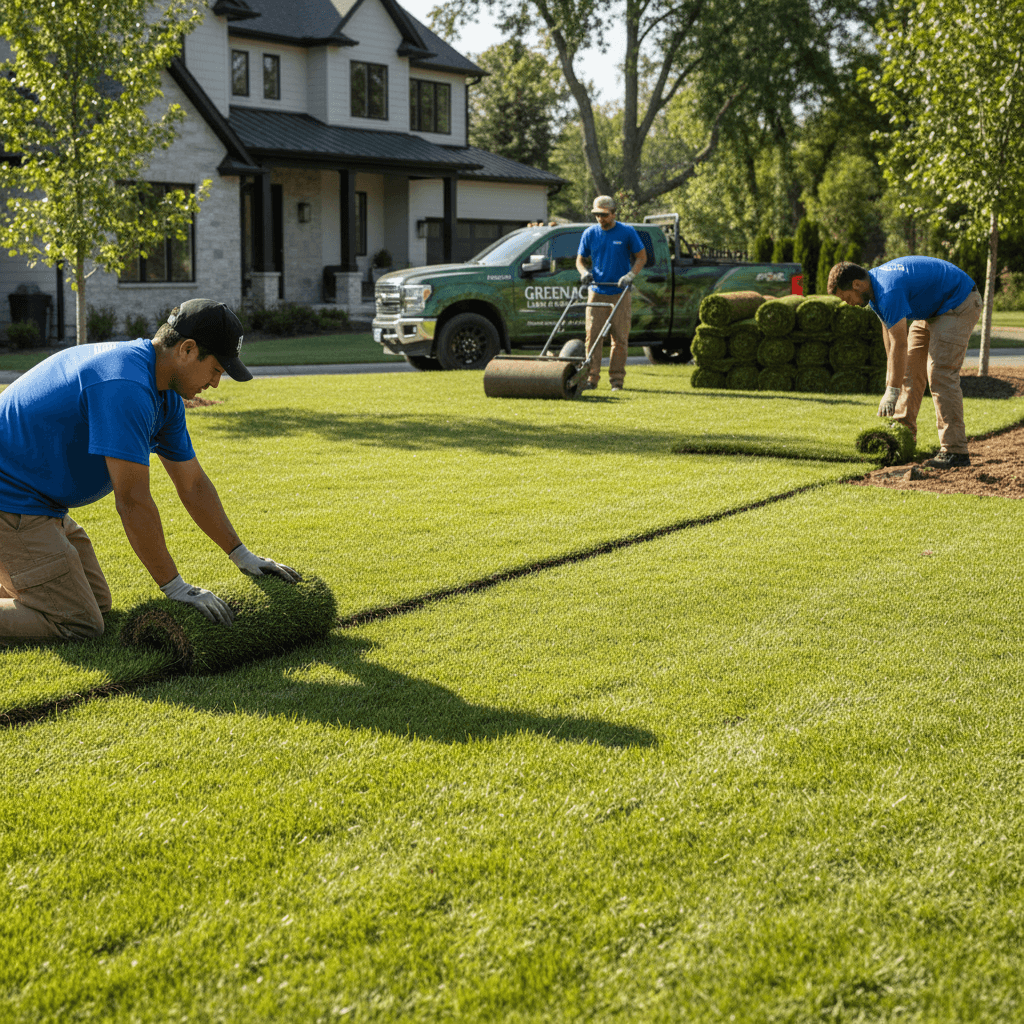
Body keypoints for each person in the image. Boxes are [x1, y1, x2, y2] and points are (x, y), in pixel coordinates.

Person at [0, 298, 299, 642]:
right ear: (187, 349)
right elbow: (133, 500)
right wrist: (175, 587)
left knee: (95, 603)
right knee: (79, 623)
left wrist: (240, 553)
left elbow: (193, 484)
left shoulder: (164, 396)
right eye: (216, 369)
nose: (216, 383)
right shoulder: (125, 385)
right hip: (12, 501)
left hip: (41, 505)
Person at [828, 257, 982, 468]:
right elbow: (890, 336)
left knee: (940, 373)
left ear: (856, 284)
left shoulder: (887, 290)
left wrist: (891, 392)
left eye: (847, 298)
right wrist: (890, 379)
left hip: (958, 301)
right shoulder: (873, 291)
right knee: (909, 369)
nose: (850, 303)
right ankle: (902, 436)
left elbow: (900, 343)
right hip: (932, 308)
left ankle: (955, 451)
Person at [575, 195, 647, 391]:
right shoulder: (590, 233)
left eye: (604, 215)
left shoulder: (627, 232)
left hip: (620, 292)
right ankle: (591, 379)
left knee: (620, 338)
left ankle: (617, 381)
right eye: (597, 215)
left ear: (614, 213)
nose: (600, 219)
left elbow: (641, 257)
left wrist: (630, 275)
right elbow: (580, 260)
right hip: (597, 291)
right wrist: (584, 273)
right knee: (593, 336)